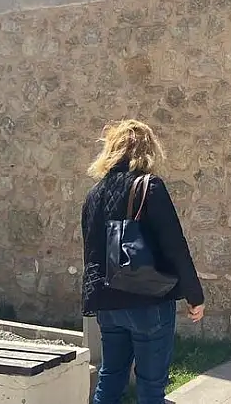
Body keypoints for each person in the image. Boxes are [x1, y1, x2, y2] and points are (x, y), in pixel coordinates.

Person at [81, 119, 206, 404]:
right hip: (148, 300)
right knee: (151, 386)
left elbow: (91, 252)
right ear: (148, 150)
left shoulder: (93, 195)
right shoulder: (150, 187)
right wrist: (194, 295)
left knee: (111, 376)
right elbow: (175, 245)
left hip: (108, 302)